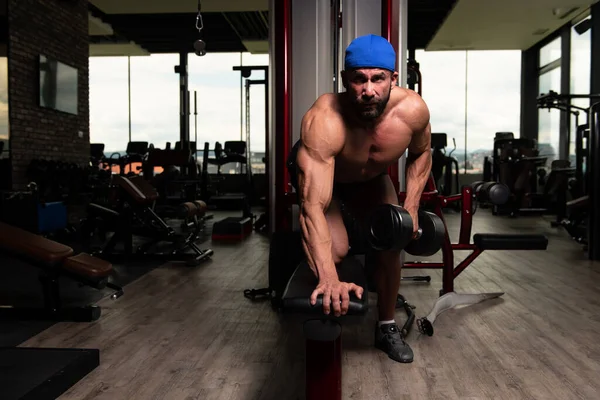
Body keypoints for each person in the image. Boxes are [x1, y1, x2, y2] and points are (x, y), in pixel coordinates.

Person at [287, 34, 432, 363]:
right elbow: (311, 208)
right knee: (334, 250)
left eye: (378, 79)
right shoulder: (324, 119)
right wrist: (328, 278)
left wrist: (410, 208)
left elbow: (422, 154)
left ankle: (386, 326)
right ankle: (323, 279)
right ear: (344, 80)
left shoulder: (413, 112)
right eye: (358, 79)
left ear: (393, 79)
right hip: (329, 181)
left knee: (393, 238)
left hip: (372, 179)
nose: (368, 90)